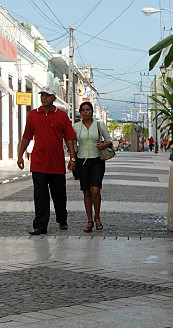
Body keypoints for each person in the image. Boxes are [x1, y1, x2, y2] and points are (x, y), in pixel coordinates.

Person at [17, 86, 76, 235]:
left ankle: (62, 219)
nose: (44, 98)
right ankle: (40, 225)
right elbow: (26, 137)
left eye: (48, 96)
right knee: (40, 196)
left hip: (56, 164)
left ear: (54, 99)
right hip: (38, 163)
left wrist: (72, 158)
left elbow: (69, 138)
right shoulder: (33, 115)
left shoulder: (62, 116)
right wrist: (20, 155)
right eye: (42, 95)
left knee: (59, 195)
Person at [72, 101, 112, 233]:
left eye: (88, 110)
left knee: (95, 190)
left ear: (92, 111)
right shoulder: (76, 127)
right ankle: (89, 220)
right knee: (86, 191)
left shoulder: (99, 125)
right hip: (82, 161)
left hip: (97, 160)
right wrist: (73, 159)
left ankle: (97, 217)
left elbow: (109, 141)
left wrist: (104, 145)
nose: (85, 112)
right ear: (80, 112)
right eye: (83, 110)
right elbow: (72, 144)